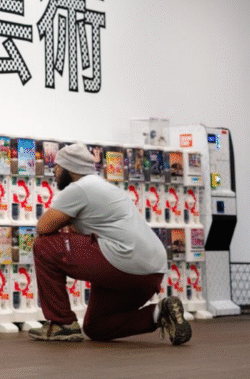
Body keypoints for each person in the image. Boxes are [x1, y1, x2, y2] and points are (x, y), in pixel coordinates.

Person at [30, 142, 191, 344]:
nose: (54, 170)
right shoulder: (104, 186)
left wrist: (67, 220)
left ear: (70, 169)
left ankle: (61, 324)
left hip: (124, 260)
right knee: (96, 327)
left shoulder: (80, 188)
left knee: (44, 246)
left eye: (58, 166)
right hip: (151, 272)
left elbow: (43, 227)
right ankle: (160, 312)